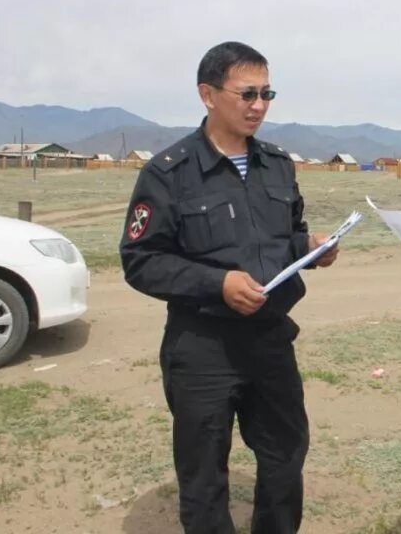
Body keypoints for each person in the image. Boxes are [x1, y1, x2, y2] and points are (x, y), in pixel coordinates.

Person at [119, 41, 338, 534]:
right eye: (246, 94)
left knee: (285, 455)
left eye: (267, 93)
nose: (258, 105)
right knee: (203, 476)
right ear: (208, 94)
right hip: (202, 347)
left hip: (270, 340)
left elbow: (284, 235)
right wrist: (216, 284)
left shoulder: (277, 165)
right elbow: (140, 260)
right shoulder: (168, 173)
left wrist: (312, 247)